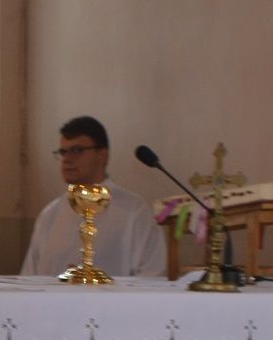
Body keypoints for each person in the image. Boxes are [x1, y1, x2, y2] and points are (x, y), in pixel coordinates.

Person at [21, 115, 165, 278]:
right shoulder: (50, 214)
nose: (67, 159)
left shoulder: (134, 210)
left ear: (102, 155)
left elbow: (152, 274)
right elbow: (29, 276)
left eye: (77, 150)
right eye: (63, 152)